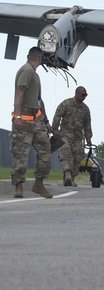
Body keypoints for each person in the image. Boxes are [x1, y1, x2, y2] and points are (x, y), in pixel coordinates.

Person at [10, 46, 53, 198]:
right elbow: (19, 92)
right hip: (25, 120)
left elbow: (39, 100)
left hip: (37, 120)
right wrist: (19, 117)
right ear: (39, 58)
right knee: (21, 154)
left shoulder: (35, 74)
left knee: (45, 149)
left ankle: (38, 184)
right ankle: (18, 187)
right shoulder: (27, 70)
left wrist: (46, 121)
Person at [52, 86, 94, 187]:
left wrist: (88, 138)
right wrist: (55, 130)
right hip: (65, 135)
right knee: (66, 153)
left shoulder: (85, 109)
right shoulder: (66, 104)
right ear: (76, 93)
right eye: (82, 95)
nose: (84, 97)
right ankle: (67, 175)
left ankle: (72, 178)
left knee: (78, 157)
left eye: (85, 95)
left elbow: (87, 124)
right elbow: (57, 115)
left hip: (78, 137)